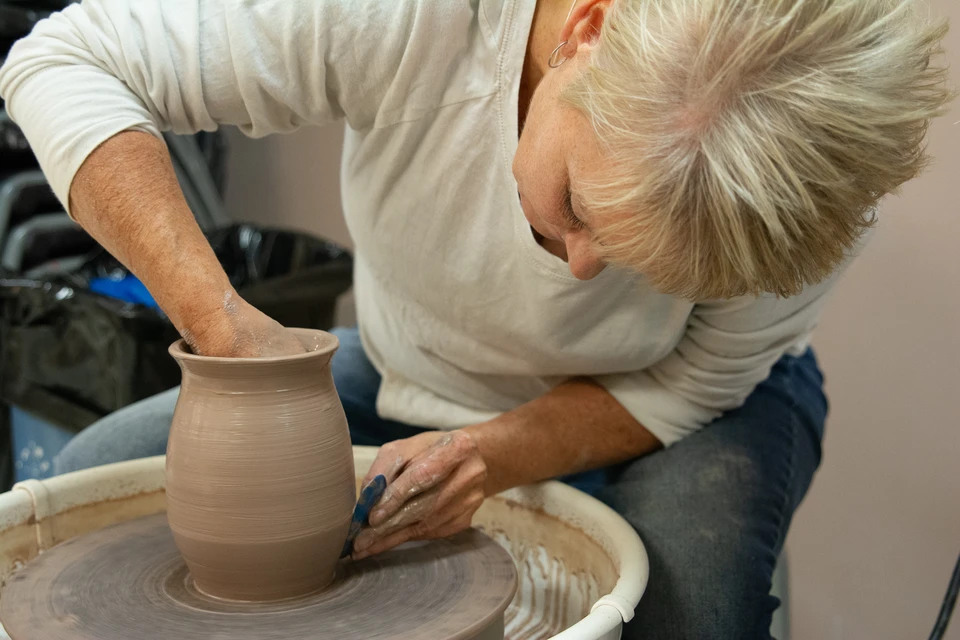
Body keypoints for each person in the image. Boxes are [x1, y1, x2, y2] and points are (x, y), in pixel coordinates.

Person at [0, 0, 951, 637]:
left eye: (634, 260)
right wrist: (222, 324)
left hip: (679, 399)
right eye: (581, 205)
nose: (581, 270)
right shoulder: (420, 20)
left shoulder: (808, 183)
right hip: (423, 357)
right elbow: (65, 59)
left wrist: (498, 451)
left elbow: (697, 378)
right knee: (93, 494)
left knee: (690, 610)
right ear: (588, 28)